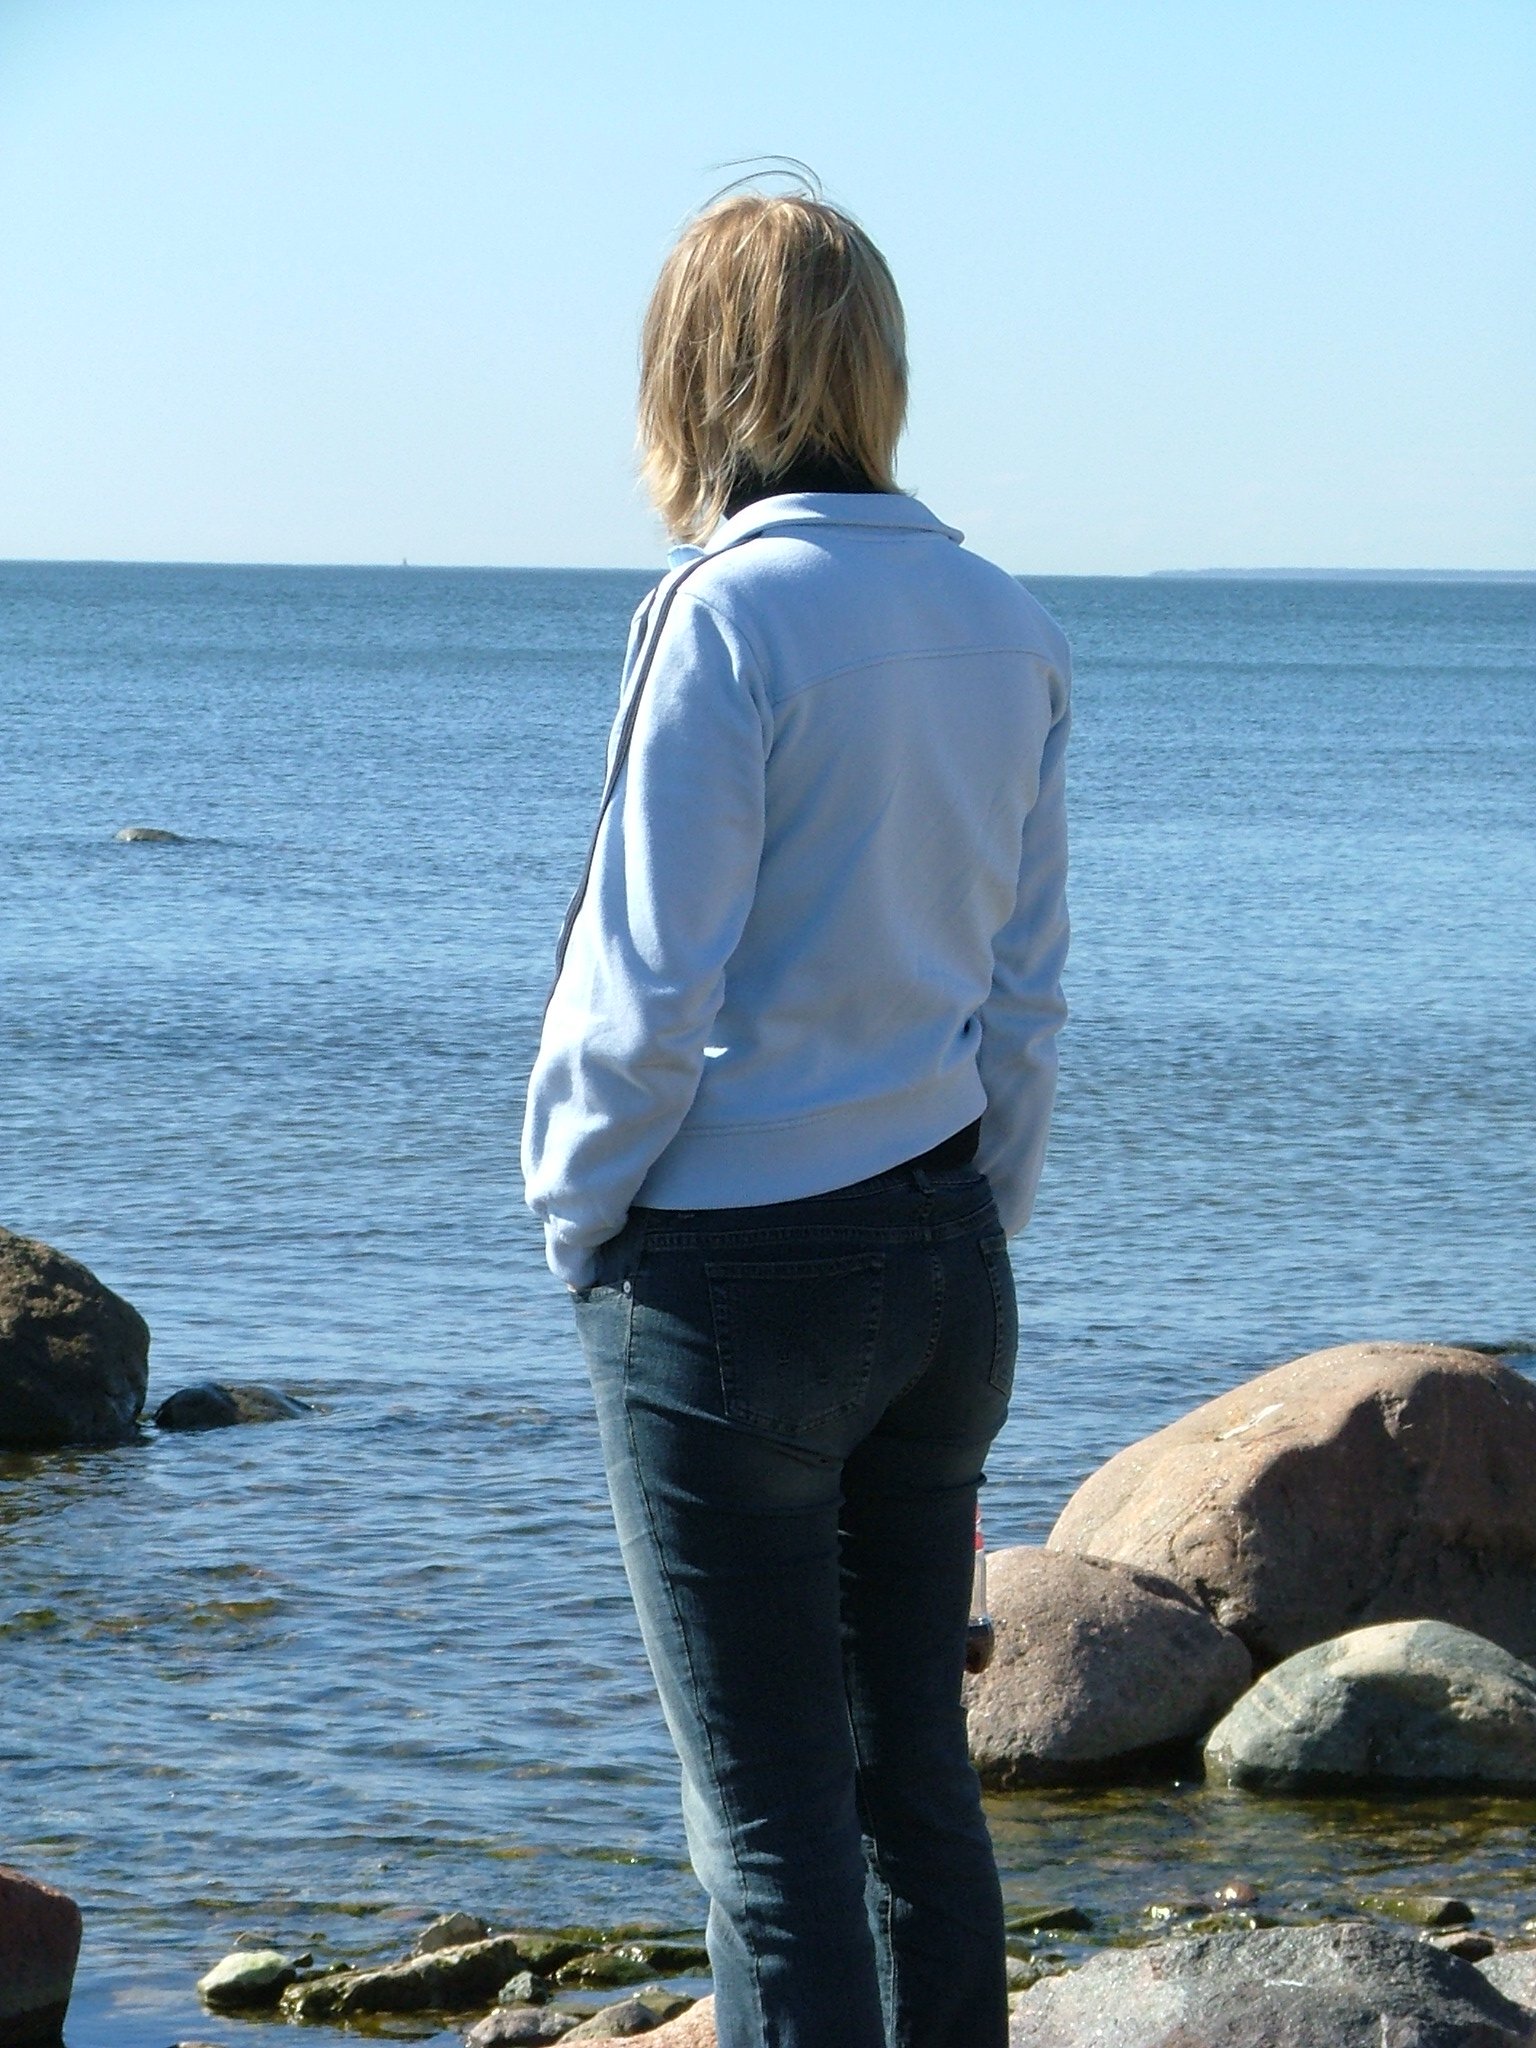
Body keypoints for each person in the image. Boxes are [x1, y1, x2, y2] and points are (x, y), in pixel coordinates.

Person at [522, 183, 1070, 2048]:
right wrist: (977, 1213)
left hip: (730, 1272)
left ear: (692, 375)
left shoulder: (719, 614)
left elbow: (645, 985)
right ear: (877, 366)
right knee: (915, 1786)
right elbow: (1024, 992)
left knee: (767, 1830)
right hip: (944, 1252)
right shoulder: (1006, 619)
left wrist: (577, 1219)